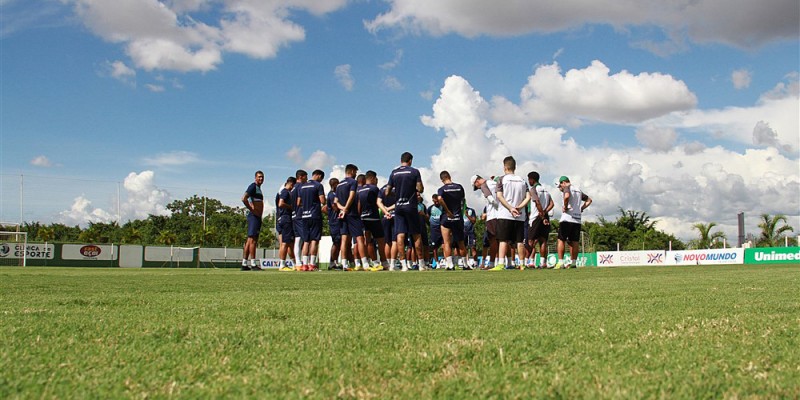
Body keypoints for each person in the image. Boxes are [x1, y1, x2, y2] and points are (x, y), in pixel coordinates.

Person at [385, 152, 427, 271]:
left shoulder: (394, 173)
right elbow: (420, 189)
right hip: (411, 206)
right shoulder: (414, 172)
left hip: (398, 207)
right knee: (416, 235)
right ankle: (421, 264)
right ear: (410, 160)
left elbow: (387, 192)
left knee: (400, 235)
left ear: (401, 160)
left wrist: (397, 193)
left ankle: (403, 265)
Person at [492, 156, 531, 271]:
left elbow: (499, 196)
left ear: (505, 167)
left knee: (503, 240)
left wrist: (510, 208)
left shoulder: (501, 179)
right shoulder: (523, 180)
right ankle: (522, 264)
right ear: (515, 167)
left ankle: (500, 264)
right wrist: (519, 207)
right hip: (519, 215)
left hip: (505, 213)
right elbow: (528, 197)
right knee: (520, 241)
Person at [556, 176, 592, 268]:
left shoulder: (566, 187)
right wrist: (581, 209)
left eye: (560, 186)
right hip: (577, 219)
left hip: (567, 218)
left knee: (561, 240)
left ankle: (560, 262)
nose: (560, 188)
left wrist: (565, 206)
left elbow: (567, 196)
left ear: (563, 183)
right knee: (575, 241)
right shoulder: (578, 190)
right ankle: (573, 263)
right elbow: (589, 200)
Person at [335, 164, 365, 271]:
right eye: (355, 172)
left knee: (344, 240)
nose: (356, 174)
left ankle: (344, 264)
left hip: (343, 214)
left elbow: (336, 202)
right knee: (359, 238)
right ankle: (365, 264)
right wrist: (346, 208)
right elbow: (352, 196)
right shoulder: (353, 182)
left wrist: (342, 209)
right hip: (352, 214)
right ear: (351, 171)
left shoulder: (339, 185)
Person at [297, 169, 327, 271]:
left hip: (304, 216)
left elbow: (298, 203)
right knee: (314, 240)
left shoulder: (302, 186)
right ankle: (312, 264)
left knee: (306, 241)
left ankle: (304, 265)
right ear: (318, 176)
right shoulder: (318, 185)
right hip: (315, 215)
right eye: (321, 178)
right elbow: (322, 200)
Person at [437, 171, 468, 270]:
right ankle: (466, 265)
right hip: (458, 217)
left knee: (446, 242)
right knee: (461, 242)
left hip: (446, 218)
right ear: (449, 176)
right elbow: (463, 200)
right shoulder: (459, 187)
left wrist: (447, 211)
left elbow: (440, 199)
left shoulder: (442, 189)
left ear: (442, 180)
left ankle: (450, 265)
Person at [358, 170, 387, 271]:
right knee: (381, 241)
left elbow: (359, 205)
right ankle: (384, 262)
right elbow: (378, 202)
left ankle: (374, 263)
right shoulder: (374, 188)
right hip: (374, 218)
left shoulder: (360, 190)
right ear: (373, 178)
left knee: (368, 241)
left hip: (363, 218)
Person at [471, 174, 500, 269]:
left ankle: (491, 264)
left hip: (493, 216)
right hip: (502, 216)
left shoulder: (484, 185)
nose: (479, 188)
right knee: (503, 240)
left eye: (477, 186)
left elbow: (491, 199)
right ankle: (506, 263)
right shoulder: (495, 182)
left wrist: (498, 208)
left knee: (493, 241)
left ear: (477, 181)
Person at [527, 171, 554, 269]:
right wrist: (545, 213)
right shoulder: (546, 189)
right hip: (544, 216)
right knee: (543, 240)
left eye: (529, 179)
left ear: (532, 179)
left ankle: (529, 262)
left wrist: (541, 214)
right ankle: (543, 263)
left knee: (531, 241)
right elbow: (552, 204)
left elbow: (537, 202)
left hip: (536, 217)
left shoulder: (533, 189)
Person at [241, 170, 265, 271]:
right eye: (259, 177)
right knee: (253, 241)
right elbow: (244, 198)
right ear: (255, 178)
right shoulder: (253, 186)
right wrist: (252, 209)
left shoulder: (258, 188)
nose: (261, 179)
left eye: (262, 177)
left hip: (256, 217)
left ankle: (244, 263)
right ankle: (253, 264)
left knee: (249, 240)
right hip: (254, 217)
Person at [275, 176, 297, 271]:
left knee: (288, 243)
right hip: (285, 219)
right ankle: (282, 265)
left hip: (280, 219)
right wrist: (291, 207)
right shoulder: (285, 192)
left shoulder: (281, 192)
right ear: (291, 184)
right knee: (285, 243)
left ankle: (294, 263)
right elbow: (281, 203)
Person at [378, 181, 397, 270]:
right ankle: (392, 264)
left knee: (387, 242)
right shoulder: (397, 188)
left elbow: (378, 202)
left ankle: (387, 263)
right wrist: (389, 209)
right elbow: (399, 202)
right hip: (396, 216)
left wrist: (385, 211)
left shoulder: (382, 189)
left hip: (385, 217)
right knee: (394, 241)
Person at [290, 170, 307, 268]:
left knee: (298, 239)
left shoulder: (293, 188)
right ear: (301, 177)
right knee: (305, 239)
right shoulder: (300, 186)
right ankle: (305, 263)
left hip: (294, 215)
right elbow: (299, 202)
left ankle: (298, 262)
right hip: (300, 215)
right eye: (305, 177)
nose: (307, 179)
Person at [327, 178, 342, 270]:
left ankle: (335, 262)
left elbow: (325, 208)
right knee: (336, 242)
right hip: (335, 222)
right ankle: (332, 262)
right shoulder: (332, 194)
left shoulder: (334, 194)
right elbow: (334, 207)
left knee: (339, 242)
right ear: (335, 184)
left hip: (336, 221)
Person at [427, 194, 443, 267]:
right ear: (433, 200)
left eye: (437, 201)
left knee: (444, 245)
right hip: (434, 229)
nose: (436, 203)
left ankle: (446, 261)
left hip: (442, 228)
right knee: (434, 247)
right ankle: (437, 263)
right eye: (435, 201)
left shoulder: (442, 207)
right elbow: (427, 218)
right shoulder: (430, 208)